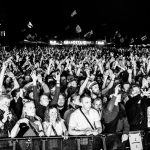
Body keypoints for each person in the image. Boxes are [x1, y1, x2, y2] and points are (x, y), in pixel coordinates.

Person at [102, 84, 130, 150]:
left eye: (119, 94)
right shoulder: (106, 107)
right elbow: (109, 110)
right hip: (109, 137)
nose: (119, 96)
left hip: (120, 137)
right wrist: (115, 95)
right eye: (117, 94)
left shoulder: (122, 106)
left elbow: (126, 122)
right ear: (111, 96)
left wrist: (126, 133)